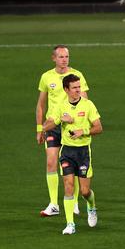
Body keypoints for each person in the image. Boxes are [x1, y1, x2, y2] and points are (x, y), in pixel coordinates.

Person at [41, 74, 102, 235]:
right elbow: (46, 126)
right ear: (66, 89)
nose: (78, 90)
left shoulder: (88, 105)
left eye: (79, 87)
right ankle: (70, 224)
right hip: (67, 152)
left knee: (84, 191)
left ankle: (91, 206)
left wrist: (83, 130)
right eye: (74, 88)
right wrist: (59, 120)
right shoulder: (60, 106)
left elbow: (99, 127)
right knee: (68, 186)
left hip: (83, 152)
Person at [35, 45, 88, 217]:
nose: (64, 59)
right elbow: (41, 104)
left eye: (67, 56)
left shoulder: (77, 75)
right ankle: (54, 204)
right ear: (54, 58)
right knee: (51, 162)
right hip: (52, 125)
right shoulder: (46, 77)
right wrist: (39, 128)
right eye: (61, 57)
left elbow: (85, 102)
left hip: (70, 126)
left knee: (72, 165)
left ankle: (73, 203)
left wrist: (80, 124)